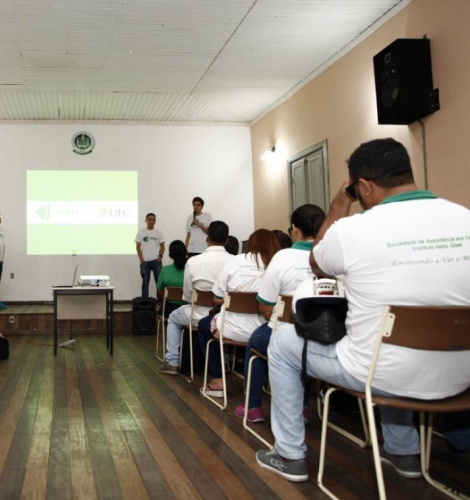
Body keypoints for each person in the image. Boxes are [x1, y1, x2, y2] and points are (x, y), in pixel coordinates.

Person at [256, 138, 470, 483]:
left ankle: (289, 455)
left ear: (364, 187)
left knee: (282, 345)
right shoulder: (464, 216)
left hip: (386, 375)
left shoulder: (352, 229)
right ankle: (404, 453)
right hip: (461, 377)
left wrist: (340, 203)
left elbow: (317, 263)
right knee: (382, 345)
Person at [235, 204, 324, 423]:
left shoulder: (283, 258)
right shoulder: (333, 256)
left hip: (288, 333)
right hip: (328, 336)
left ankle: (253, 406)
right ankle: (302, 407)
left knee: (256, 341)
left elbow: (265, 308)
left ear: (295, 229)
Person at [198, 229, 280, 397]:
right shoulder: (277, 264)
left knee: (202, 326)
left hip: (230, 329)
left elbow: (217, 298)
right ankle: (257, 379)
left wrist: (235, 300)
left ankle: (218, 381)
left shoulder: (235, 261)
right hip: (265, 332)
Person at [158, 221, 232, 375]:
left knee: (172, 318)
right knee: (223, 326)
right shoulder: (234, 261)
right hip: (226, 317)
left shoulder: (193, 262)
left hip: (197, 314)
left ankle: (172, 362)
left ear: (207, 238)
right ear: (227, 240)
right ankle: (224, 361)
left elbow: (187, 296)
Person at [135, 213, 165, 298]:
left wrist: (160, 256)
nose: (151, 221)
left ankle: (160, 302)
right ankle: (145, 301)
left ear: (155, 221)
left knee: (159, 282)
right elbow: (137, 247)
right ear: (146, 220)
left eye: (153, 219)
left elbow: (162, 247)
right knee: (145, 282)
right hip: (145, 262)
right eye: (149, 219)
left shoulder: (159, 233)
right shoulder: (141, 232)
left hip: (156, 261)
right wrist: (141, 259)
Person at [156, 240, 189, 318]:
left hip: (170, 309)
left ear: (170, 255)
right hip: (189, 308)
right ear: (186, 252)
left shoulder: (165, 270)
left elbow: (160, 292)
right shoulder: (193, 269)